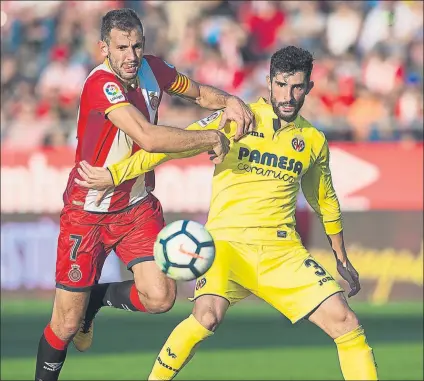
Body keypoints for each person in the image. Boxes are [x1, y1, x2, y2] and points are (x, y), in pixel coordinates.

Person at [74, 46, 379, 381]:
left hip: (281, 251)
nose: (287, 95)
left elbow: (325, 200)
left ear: (308, 87)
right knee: (206, 317)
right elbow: (166, 148)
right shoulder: (237, 116)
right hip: (226, 245)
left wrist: (340, 255)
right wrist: (116, 173)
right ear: (268, 82)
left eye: (296, 87)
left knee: (346, 323)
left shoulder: (313, 140)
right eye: (280, 85)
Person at [34, 8, 254, 381]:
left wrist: (229, 100)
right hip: (87, 209)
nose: (131, 56)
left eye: (136, 45)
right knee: (65, 324)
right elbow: (148, 139)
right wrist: (209, 137)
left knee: (161, 297)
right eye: (122, 47)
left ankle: (97, 299)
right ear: (104, 48)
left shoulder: (154, 69)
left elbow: (199, 93)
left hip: (135, 206)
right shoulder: (101, 85)